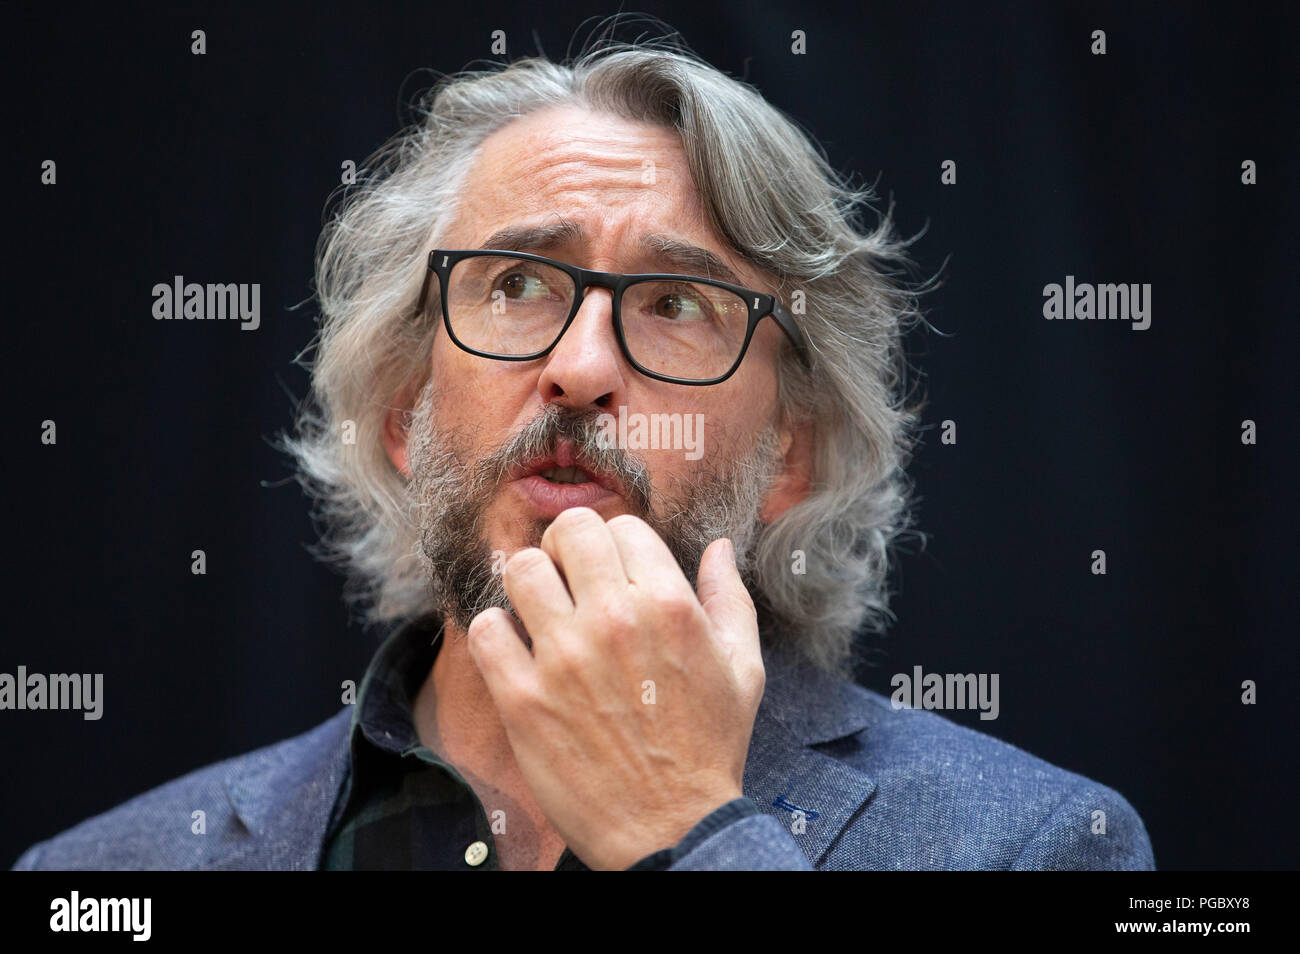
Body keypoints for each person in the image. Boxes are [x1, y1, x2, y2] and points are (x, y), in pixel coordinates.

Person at [13, 36, 1154, 871]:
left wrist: (687, 832)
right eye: (515, 284)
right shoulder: (106, 879)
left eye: (674, 301)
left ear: (790, 455)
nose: (580, 365)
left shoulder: (1035, 845)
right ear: (406, 414)